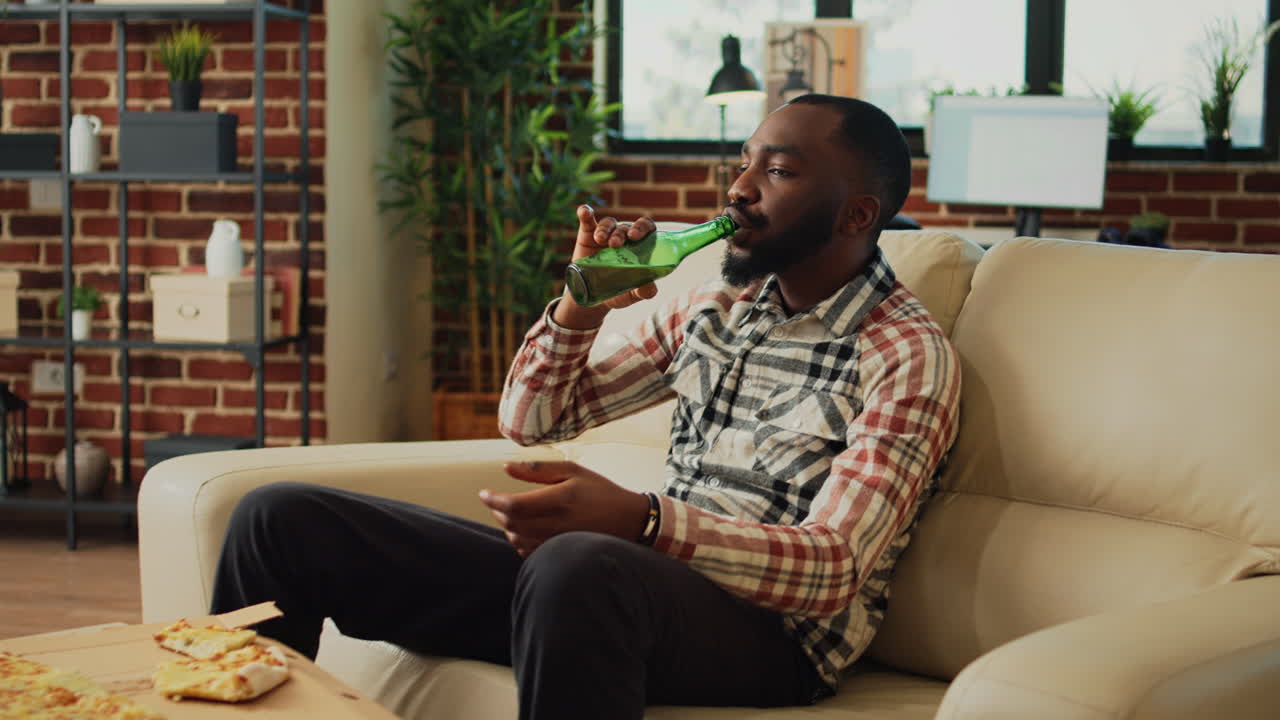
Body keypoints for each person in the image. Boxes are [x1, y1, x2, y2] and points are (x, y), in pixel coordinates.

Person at [211, 94, 960, 719]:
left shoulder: (904, 355)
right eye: (744, 163)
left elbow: (832, 570)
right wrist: (579, 308)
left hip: (773, 638)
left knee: (578, 565)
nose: (739, 189)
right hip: (614, 591)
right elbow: (532, 422)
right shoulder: (719, 308)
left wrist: (644, 520)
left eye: (780, 171)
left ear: (858, 215)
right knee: (279, 519)